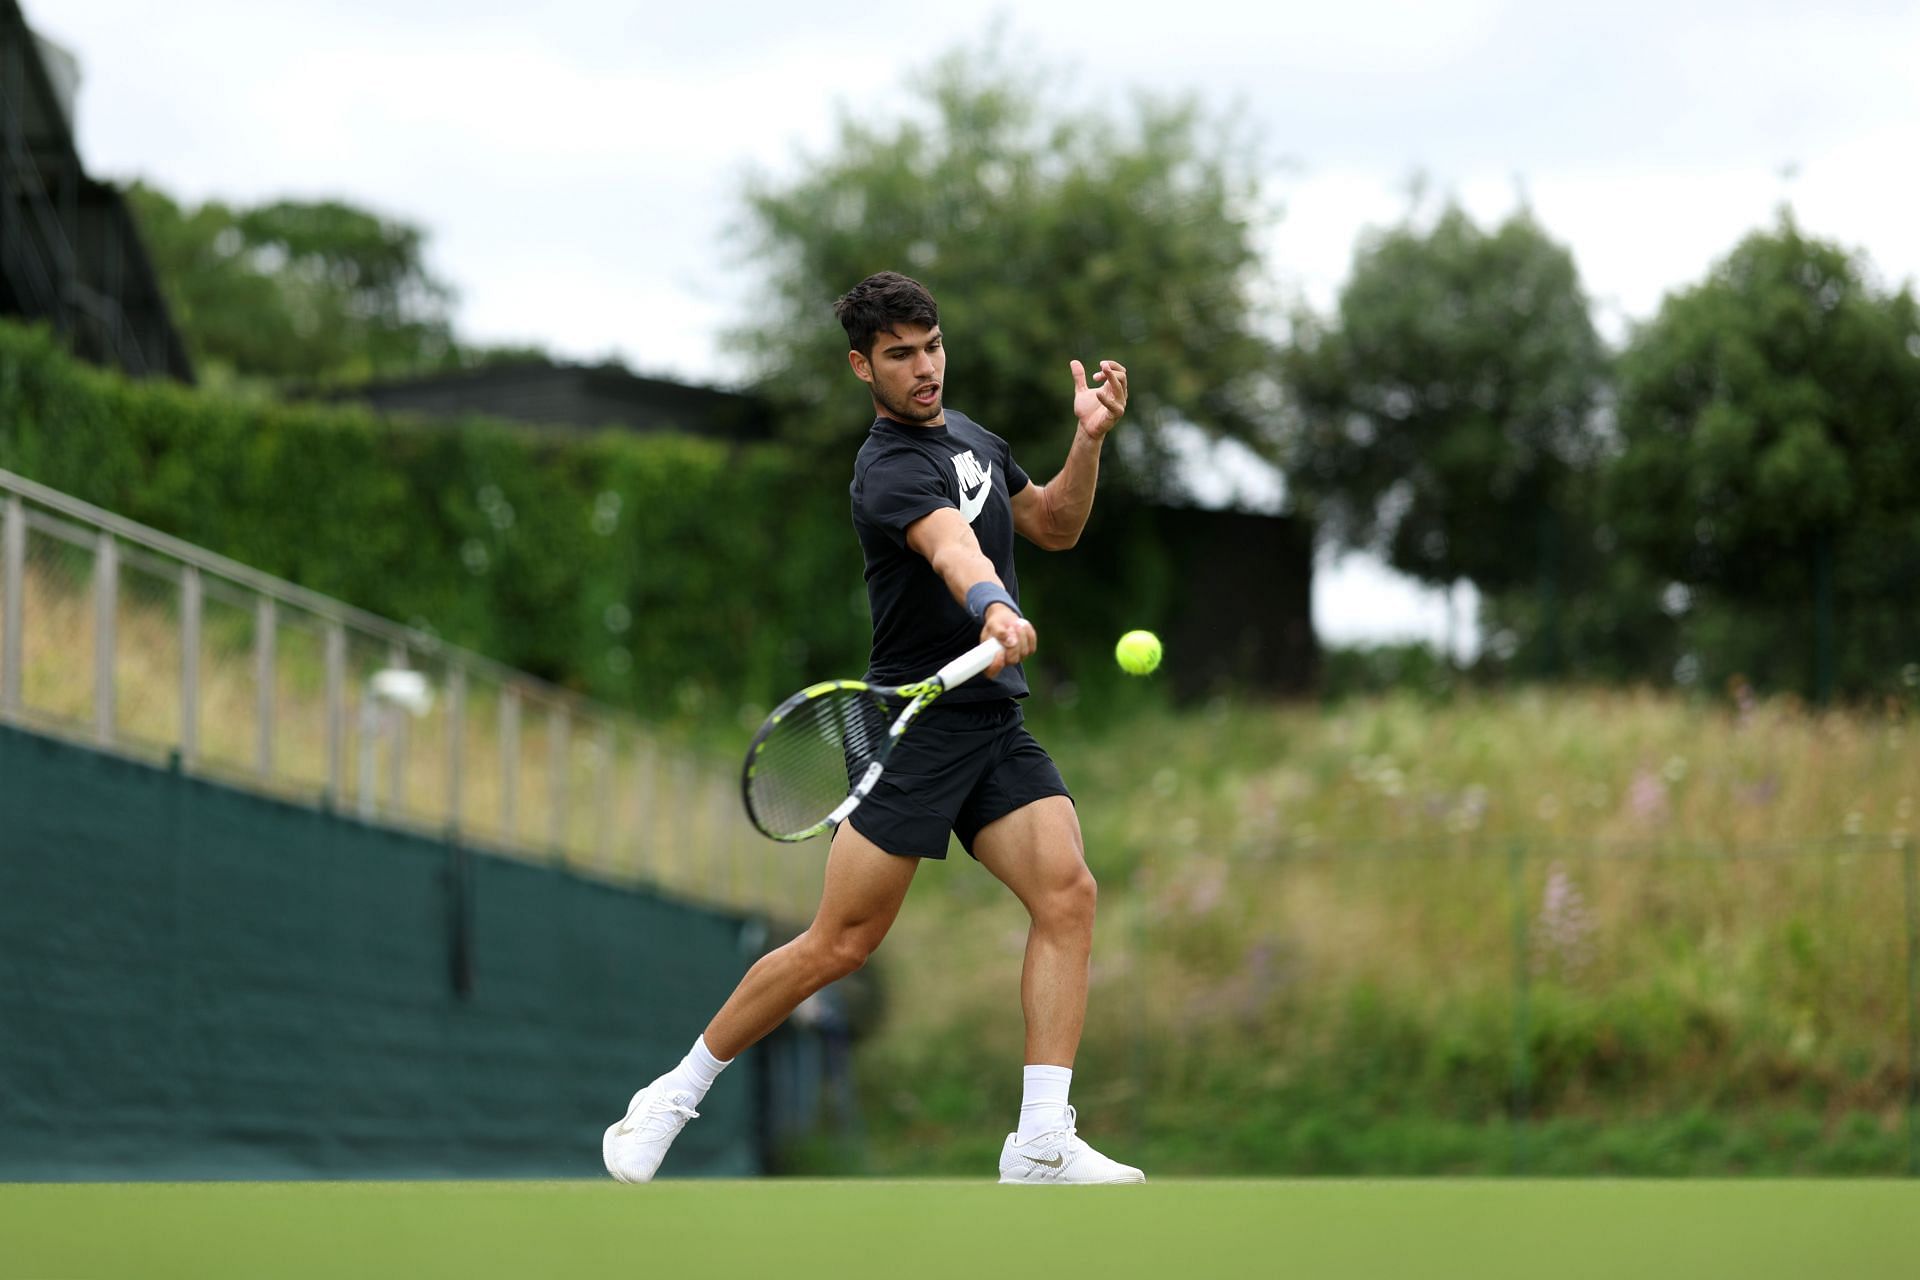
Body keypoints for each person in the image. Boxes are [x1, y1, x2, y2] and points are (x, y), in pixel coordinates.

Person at [604, 270, 1143, 1185]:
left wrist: (1088, 441)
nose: (925, 368)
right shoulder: (887, 469)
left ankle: (1041, 1141)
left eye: (932, 347)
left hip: (991, 720)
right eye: (901, 356)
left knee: (1069, 893)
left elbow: (1051, 522)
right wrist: (994, 607)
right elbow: (953, 548)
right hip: (913, 723)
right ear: (864, 367)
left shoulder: (975, 438)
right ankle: (672, 1095)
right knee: (841, 944)